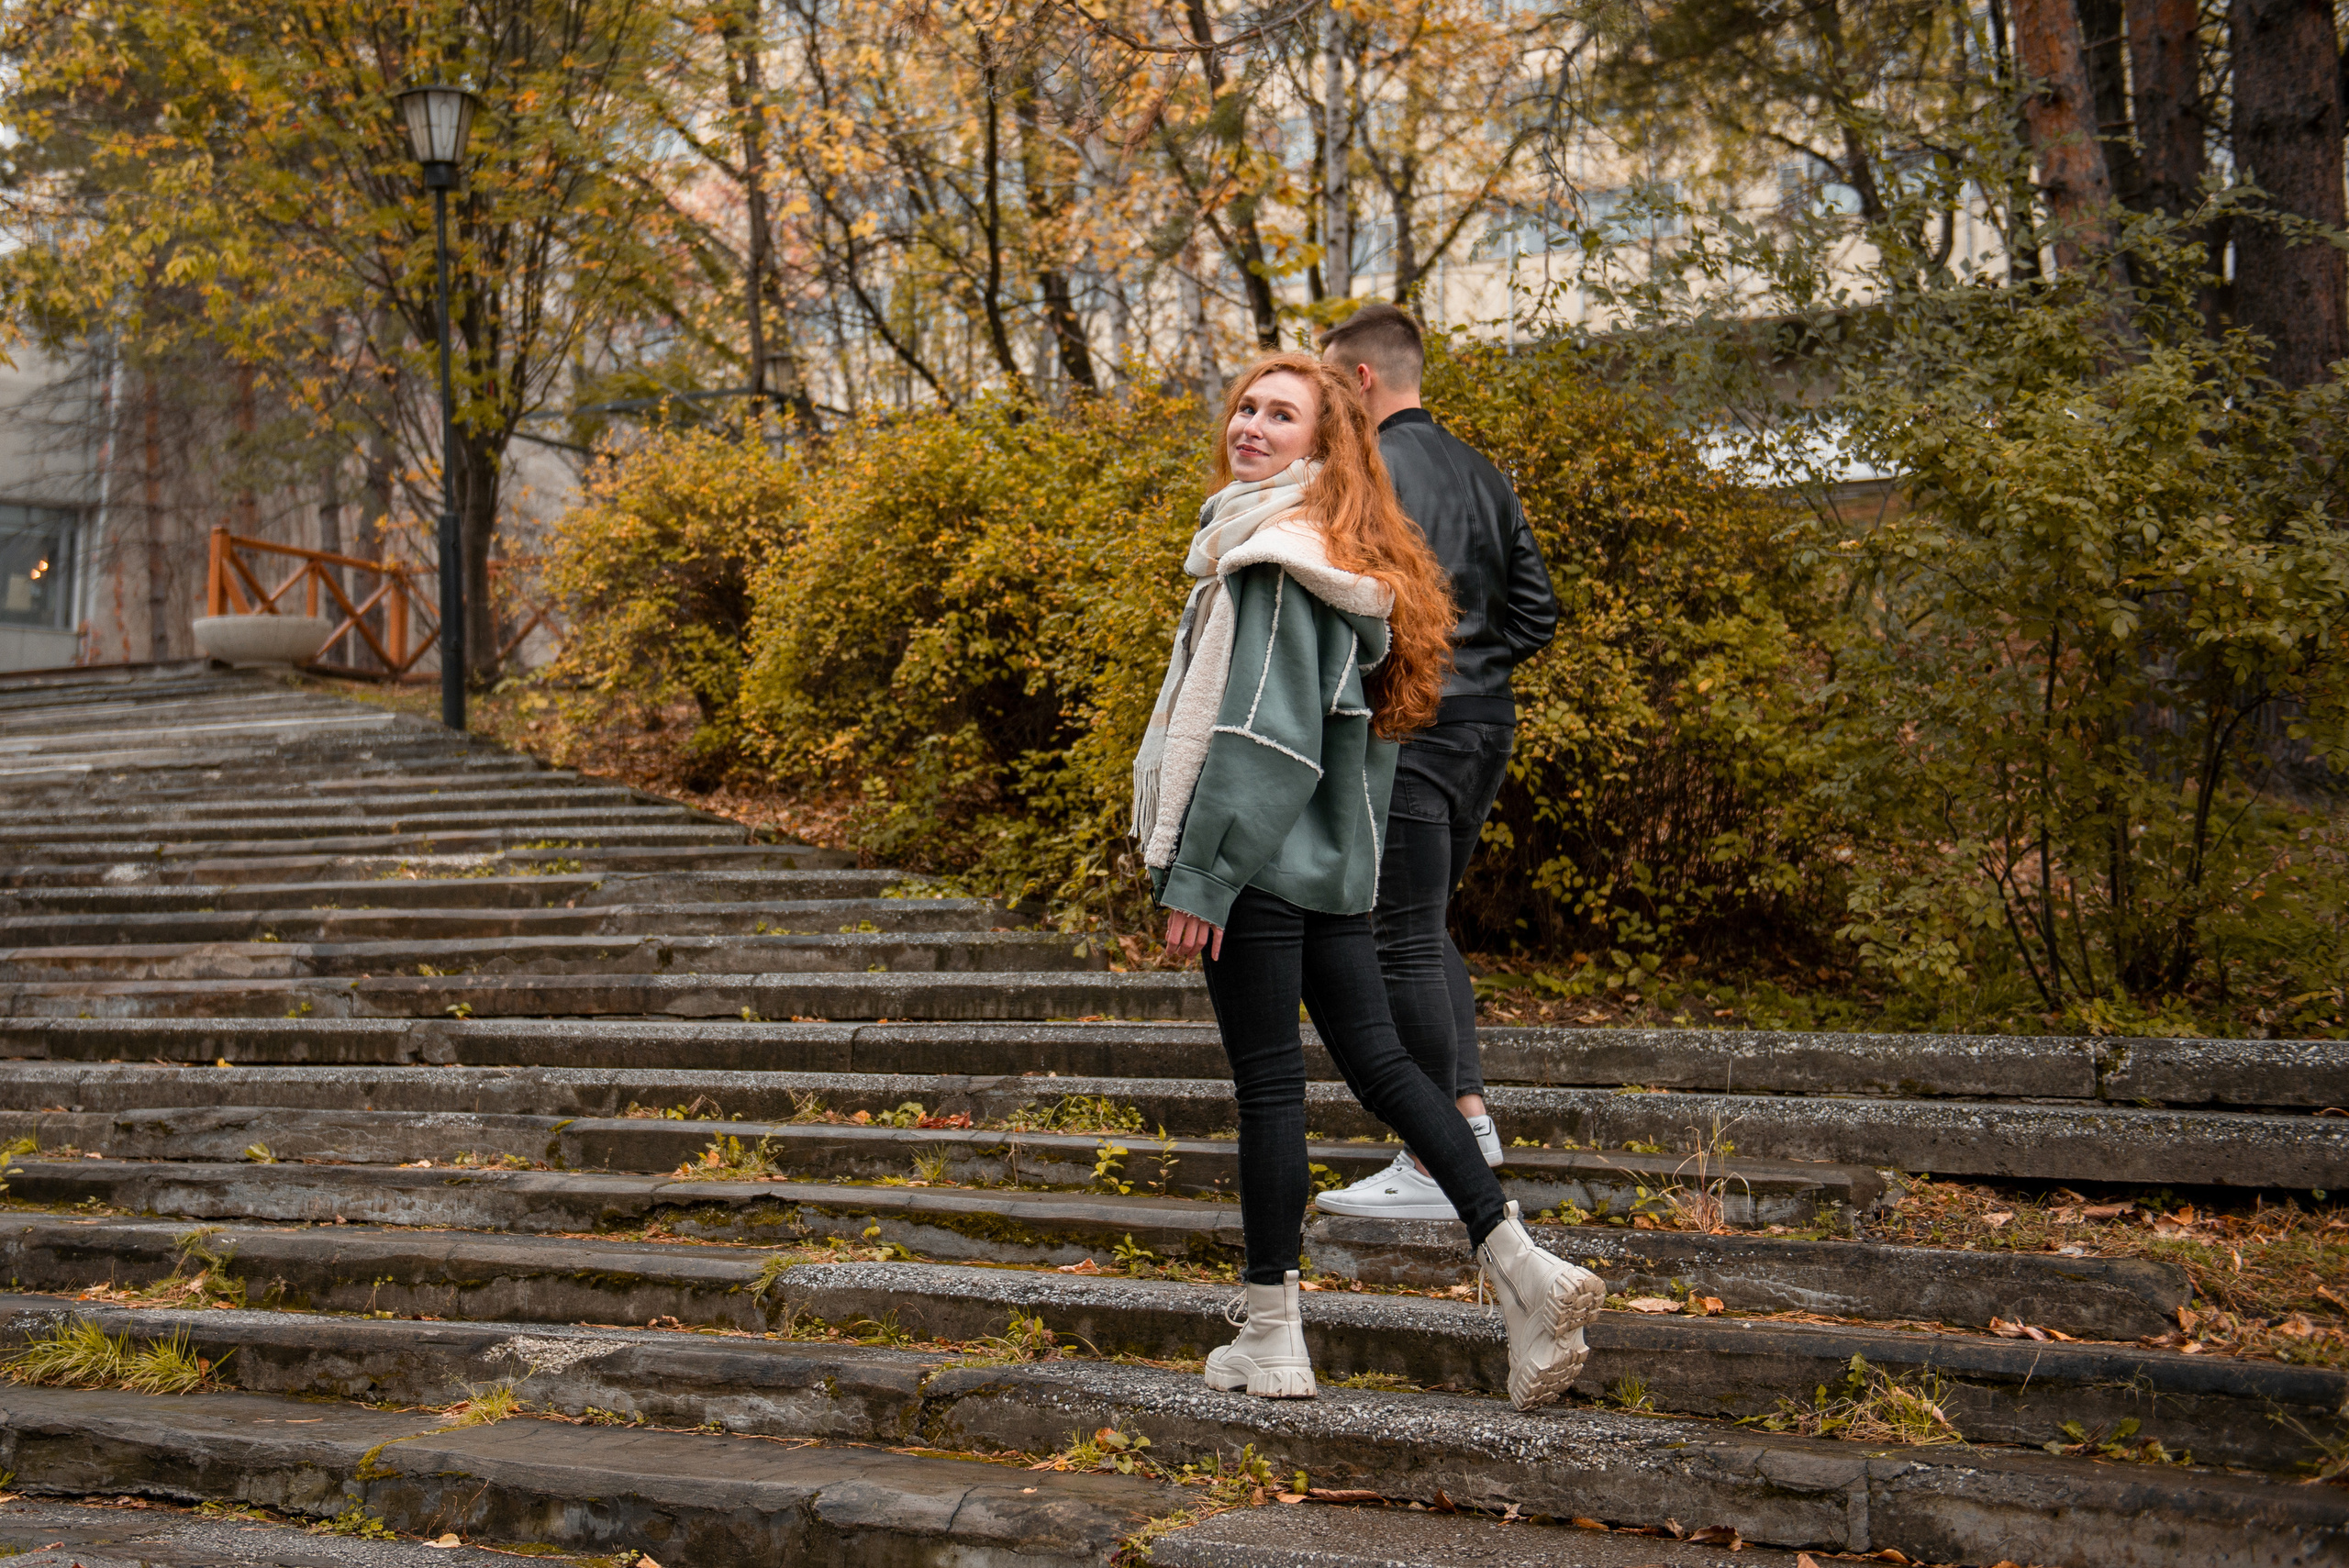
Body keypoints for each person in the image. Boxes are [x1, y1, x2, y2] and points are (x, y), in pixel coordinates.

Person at [1135, 348, 1600, 1411]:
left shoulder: (1274, 557)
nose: (1250, 425)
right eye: (1245, 407)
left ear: (1326, 442)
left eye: (1280, 415)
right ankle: (1525, 1270)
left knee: (1269, 1086)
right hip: (1335, 861)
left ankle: (1272, 1335)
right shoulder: (1345, 556)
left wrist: (1202, 872)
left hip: (1259, 862)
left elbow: (1258, 734)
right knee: (1386, 1065)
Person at [1310, 303, 1562, 1222]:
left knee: (1401, 931)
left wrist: (1412, 677)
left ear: (1362, 378)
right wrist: (1475, 668)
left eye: (1328, 383)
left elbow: (1352, 602)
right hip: (1485, 725)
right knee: (1423, 923)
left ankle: (1434, 1154)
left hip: (1413, 723)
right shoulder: (1484, 471)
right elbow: (1536, 611)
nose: (1323, 403)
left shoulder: (1369, 471)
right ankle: (1468, 1120)